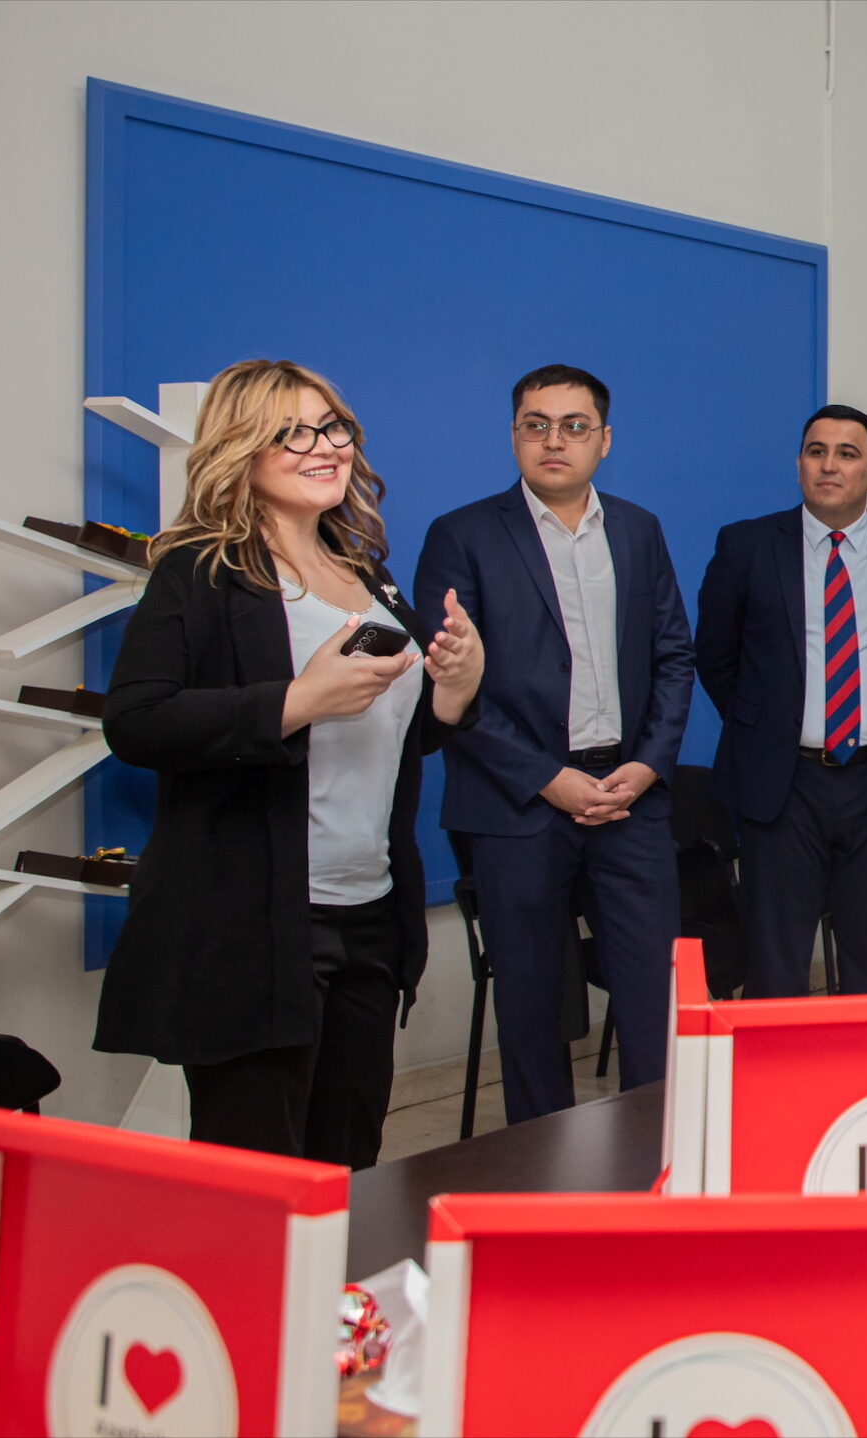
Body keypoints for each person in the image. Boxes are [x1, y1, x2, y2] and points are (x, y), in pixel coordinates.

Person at [97, 359, 482, 1167]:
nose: (325, 447)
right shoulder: (201, 571)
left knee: (349, 1170)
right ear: (241, 448)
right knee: (262, 1184)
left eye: (333, 427)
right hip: (253, 927)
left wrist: (452, 691)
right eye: (293, 433)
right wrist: (296, 701)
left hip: (371, 919)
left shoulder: (368, 578)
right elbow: (135, 722)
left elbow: (385, 741)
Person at [413, 365, 692, 1124]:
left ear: (605, 440)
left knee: (652, 998)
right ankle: (543, 1168)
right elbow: (452, 689)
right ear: (514, 436)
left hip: (629, 797)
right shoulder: (462, 535)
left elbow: (673, 655)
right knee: (533, 1006)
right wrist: (547, 777)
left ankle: (653, 1152)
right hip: (518, 806)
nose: (554, 440)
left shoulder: (638, 529)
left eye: (574, 426)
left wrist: (648, 764)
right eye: (536, 425)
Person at [696, 403, 867, 996]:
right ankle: (778, 1062)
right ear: (799, 465)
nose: (829, 465)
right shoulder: (746, 547)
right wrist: (767, 727)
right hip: (781, 786)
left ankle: (863, 1062)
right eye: (817, 452)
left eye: (847, 454)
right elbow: (715, 657)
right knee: (775, 967)